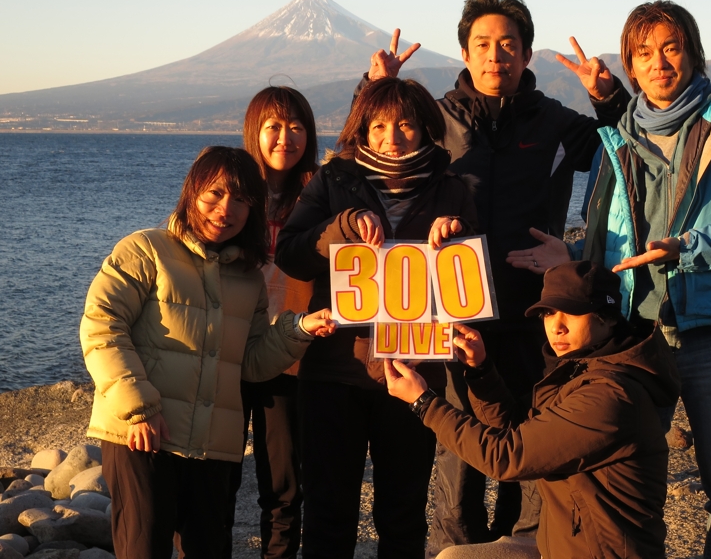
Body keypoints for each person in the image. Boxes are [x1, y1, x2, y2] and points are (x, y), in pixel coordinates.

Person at [507, 0, 711, 558]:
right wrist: (575, 251)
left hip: (710, 333)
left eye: (671, 48)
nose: (660, 63)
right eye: (645, 53)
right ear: (631, 67)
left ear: (692, 52)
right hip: (636, 334)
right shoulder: (620, 138)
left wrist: (687, 248)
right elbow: (615, 231)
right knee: (624, 476)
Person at [363, 0, 616, 554]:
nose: (495, 56)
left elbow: (623, 151)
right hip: (457, 310)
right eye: (483, 44)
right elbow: (373, 150)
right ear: (464, 51)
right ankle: (455, 549)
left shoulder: (553, 120)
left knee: (534, 436)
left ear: (526, 54)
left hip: (535, 312)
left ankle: (525, 546)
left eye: (509, 45)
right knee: (459, 453)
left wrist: (607, 98)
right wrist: (373, 87)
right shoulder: (437, 119)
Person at [80, 146, 337, 559]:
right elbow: (101, 326)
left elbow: (251, 363)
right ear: (191, 191)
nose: (226, 209)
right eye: (214, 194)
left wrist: (300, 328)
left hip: (211, 446)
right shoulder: (145, 249)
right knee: (143, 549)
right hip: (142, 435)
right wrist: (138, 408)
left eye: (240, 200)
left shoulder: (248, 276)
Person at [274, 77, 480, 558]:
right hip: (334, 373)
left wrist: (459, 236)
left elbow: (471, 277)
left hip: (412, 373)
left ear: (426, 128)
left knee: (403, 512)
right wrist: (338, 227)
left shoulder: (452, 189)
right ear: (362, 130)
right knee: (328, 512)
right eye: (380, 125)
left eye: (406, 124)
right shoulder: (333, 181)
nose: (393, 136)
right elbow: (291, 254)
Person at [384, 260, 680, 559]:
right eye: (549, 312)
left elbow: (506, 457)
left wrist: (424, 403)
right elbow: (515, 427)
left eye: (573, 312)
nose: (556, 326)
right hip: (561, 547)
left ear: (608, 318)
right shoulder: (578, 372)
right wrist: (480, 369)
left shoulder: (612, 394)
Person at [230, 86, 320, 558]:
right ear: (254, 132)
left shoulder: (321, 194)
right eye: (273, 126)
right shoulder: (231, 193)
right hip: (226, 348)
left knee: (283, 486)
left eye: (296, 126)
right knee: (213, 482)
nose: (285, 137)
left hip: (288, 356)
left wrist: (368, 89)